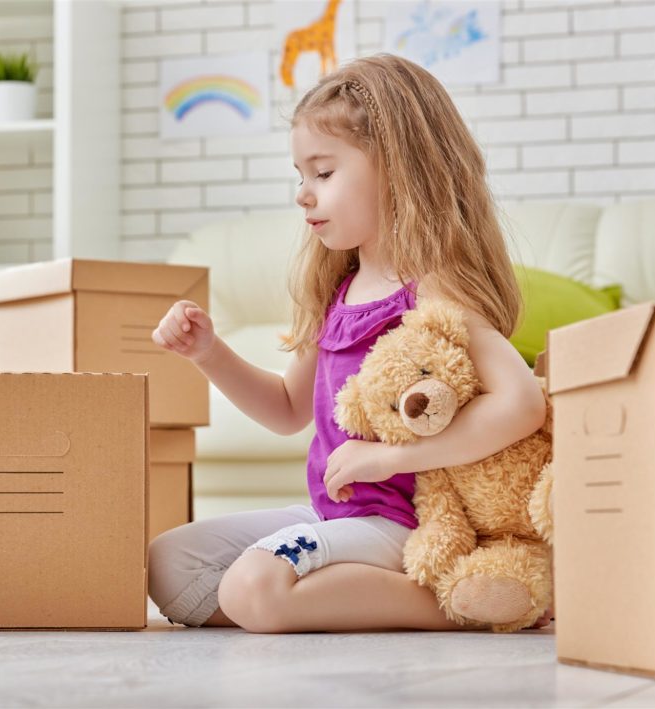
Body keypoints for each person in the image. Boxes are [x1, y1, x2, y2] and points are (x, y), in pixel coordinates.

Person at [148, 54, 547, 634]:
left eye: (324, 173)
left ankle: (467, 601)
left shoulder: (434, 288)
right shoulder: (339, 290)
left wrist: (393, 459)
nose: (303, 195)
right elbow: (287, 412)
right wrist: (209, 353)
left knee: (254, 586)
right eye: (300, 175)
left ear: (398, 169)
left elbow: (522, 403)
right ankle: (321, 597)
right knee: (169, 563)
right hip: (336, 512)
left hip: (408, 524)